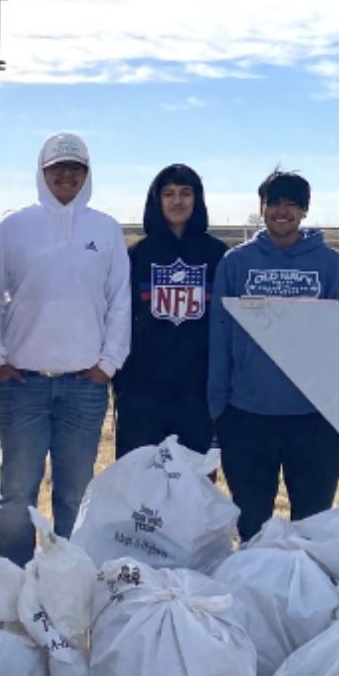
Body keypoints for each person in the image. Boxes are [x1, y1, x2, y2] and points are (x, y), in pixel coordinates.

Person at [0, 133, 130, 562]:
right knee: (16, 495)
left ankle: (68, 584)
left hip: (84, 389)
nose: (67, 176)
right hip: (21, 385)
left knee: (75, 495)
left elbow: (119, 299)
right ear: (41, 172)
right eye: (57, 169)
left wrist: (108, 363)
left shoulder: (104, 228)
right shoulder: (14, 225)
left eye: (76, 169)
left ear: (87, 174)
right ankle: (9, 583)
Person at [209, 170, 339, 540]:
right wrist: (218, 407)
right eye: (274, 202)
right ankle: (256, 594)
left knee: (313, 527)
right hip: (247, 415)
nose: (282, 211)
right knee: (252, 525)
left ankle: (310, 596)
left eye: (292, 203)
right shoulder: (236, 263)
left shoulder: (330, 264)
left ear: (305, 210)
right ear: (262, 208)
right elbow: (220, 336)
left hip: (313, 419)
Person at [112, 164, 228, 458]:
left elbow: (226, 324)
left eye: (185, 193)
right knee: (141, 487)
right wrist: (123, 383)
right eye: (169, 194)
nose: (177, 201)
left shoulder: (218, 255)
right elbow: (120, 317)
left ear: (197, 200)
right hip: (143, 393)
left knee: (193, 488)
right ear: (156, 200)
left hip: (197, 393)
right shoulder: (137, 254)